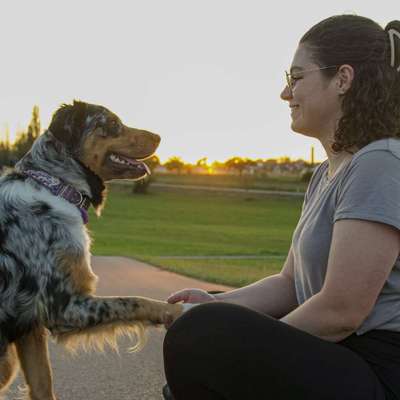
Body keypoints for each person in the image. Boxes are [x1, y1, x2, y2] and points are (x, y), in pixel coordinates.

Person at [162, 14, 400, 400]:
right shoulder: (327, 173)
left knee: (201, 336)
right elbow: (289, 284)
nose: (285, 94)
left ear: (342, 79)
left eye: (296, 77)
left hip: (379, 370)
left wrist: (239, 347)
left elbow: (342, 311)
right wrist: (217, 303)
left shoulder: (380, 163)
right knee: (206, 321)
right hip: (340, 358)